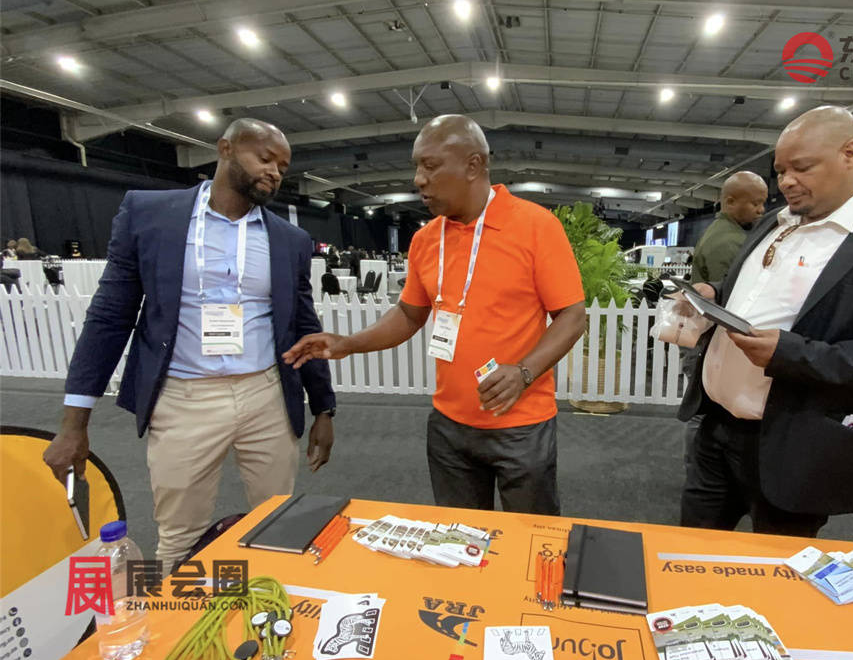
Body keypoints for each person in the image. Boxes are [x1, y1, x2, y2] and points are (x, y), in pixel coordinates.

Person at [43, 118, 337, 573]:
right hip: (183, 398)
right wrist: (73, 423)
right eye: (265, 158)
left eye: (282, 167)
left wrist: (323, 407)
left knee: (276, 520)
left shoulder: (290, 239)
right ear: (225, 148)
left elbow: (303, 325)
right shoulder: (148, 214)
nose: (275, 172)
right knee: (179, 533)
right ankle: (179, 616)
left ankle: (270, 606)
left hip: (267, 395)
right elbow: (110, 315)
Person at [285, 114, 585, 515]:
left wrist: (524, 372)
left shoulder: (535, 226)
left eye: (430, 165)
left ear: (473, 165)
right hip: (449, 427)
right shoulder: (426, 239)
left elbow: (572, 316)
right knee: (459, 537)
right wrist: (349, 343)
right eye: (417, 167)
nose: (418, 180)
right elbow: (409, 315)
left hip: (521, 425)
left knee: (531, 539)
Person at [676, 105, 853, 537]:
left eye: (801, 167)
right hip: (716, 429)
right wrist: (715, 294)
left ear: (850, 153)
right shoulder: (772, 225)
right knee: (688, 554)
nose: (786, 181)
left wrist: (793, 354)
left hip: (798, 445)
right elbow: (757, 294)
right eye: (780, 170)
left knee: (776, 570)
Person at [691, 171, 768, 284]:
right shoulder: (729, 241)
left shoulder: (718, 231)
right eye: (755, 204)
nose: (761, 210)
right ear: (730, 202)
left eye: (763, 203)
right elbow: (731, 290)